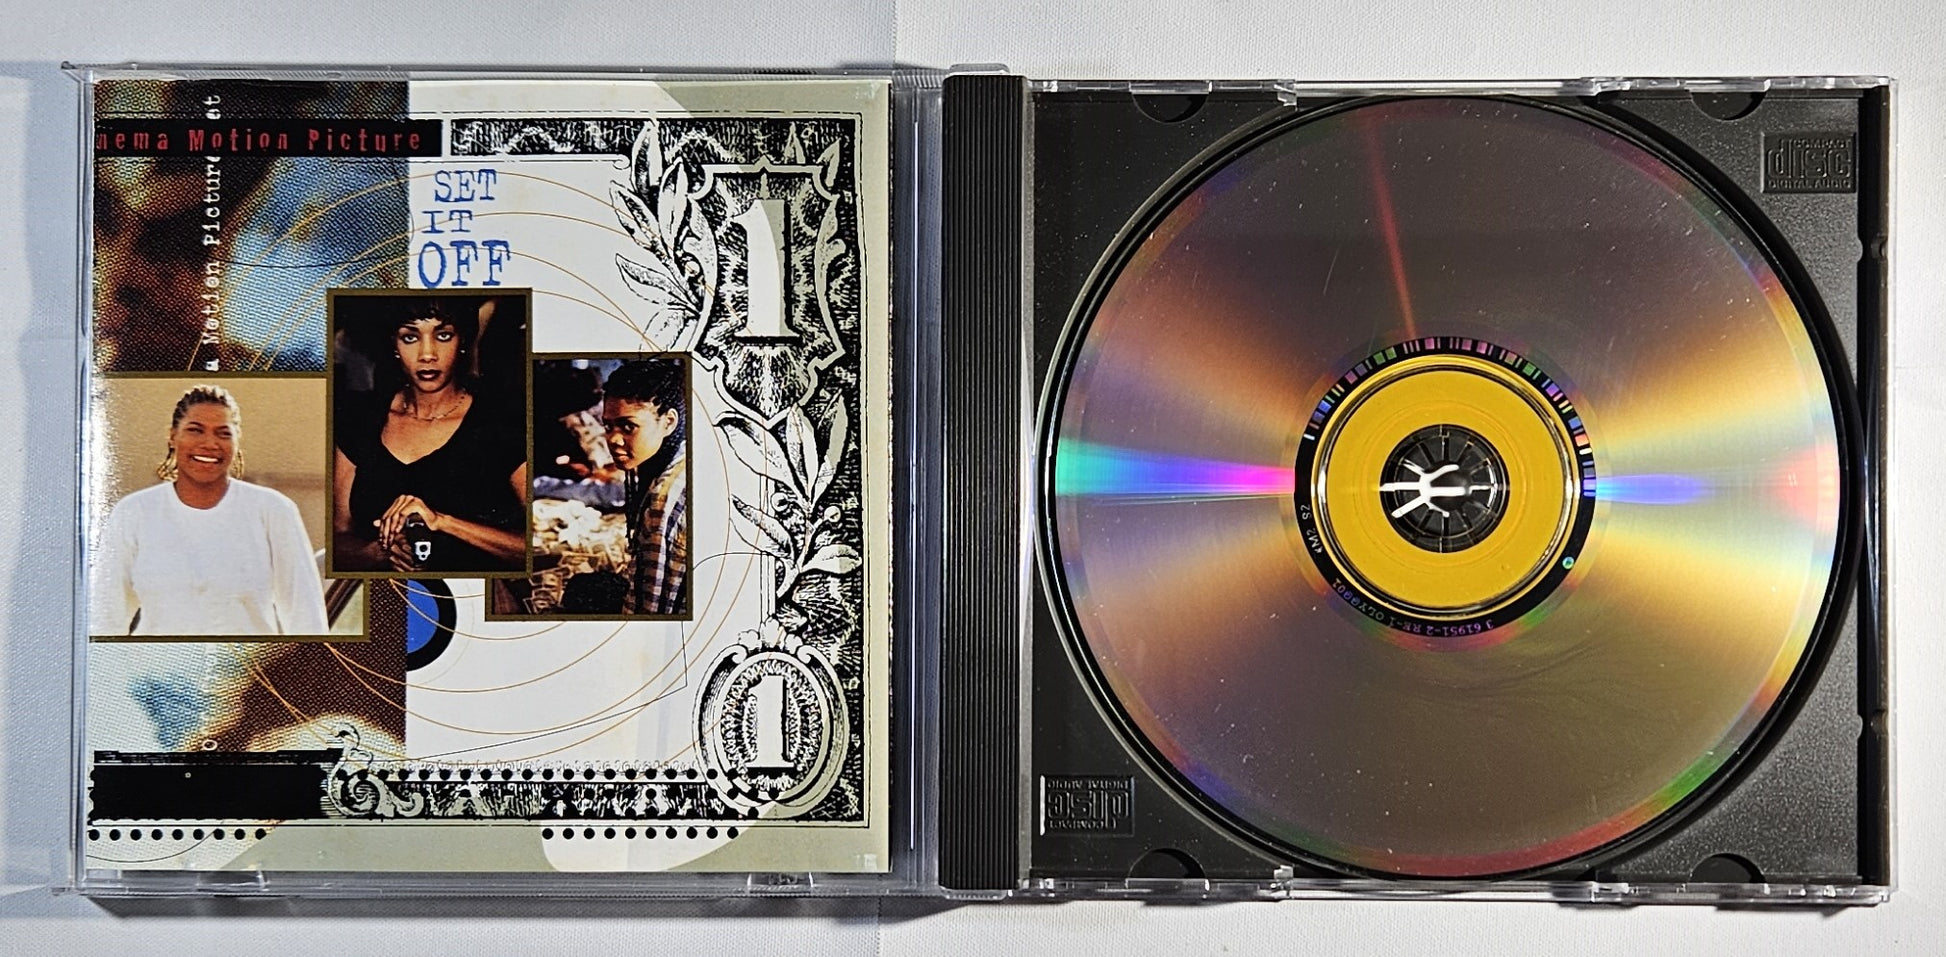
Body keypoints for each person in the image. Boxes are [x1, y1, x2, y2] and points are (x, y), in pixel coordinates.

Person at [92, 385, 329, 635]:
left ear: (236, 442)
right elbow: (104, 617)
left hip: (248, 660)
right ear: (172, 436)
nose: (209, 443)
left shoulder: (273, 510)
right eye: (195, 430)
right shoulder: (134, 512)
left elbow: (306, 618)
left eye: (223, 433)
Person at [334, 297, 527, 574]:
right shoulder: (360, 419)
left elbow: (536, 549)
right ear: (394, 344)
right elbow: (338, 537)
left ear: (462, 341)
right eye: (410, 337)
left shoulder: (503, 425)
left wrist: (443, 522)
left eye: (443, 335)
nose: (427, 354)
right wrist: (380, 550)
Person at [601, 359, 688, 615]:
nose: (614, 439)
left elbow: (650, 609)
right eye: (608, 426)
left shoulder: (665, 497)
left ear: (668, 422)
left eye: (629, 426)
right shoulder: (679, 460)